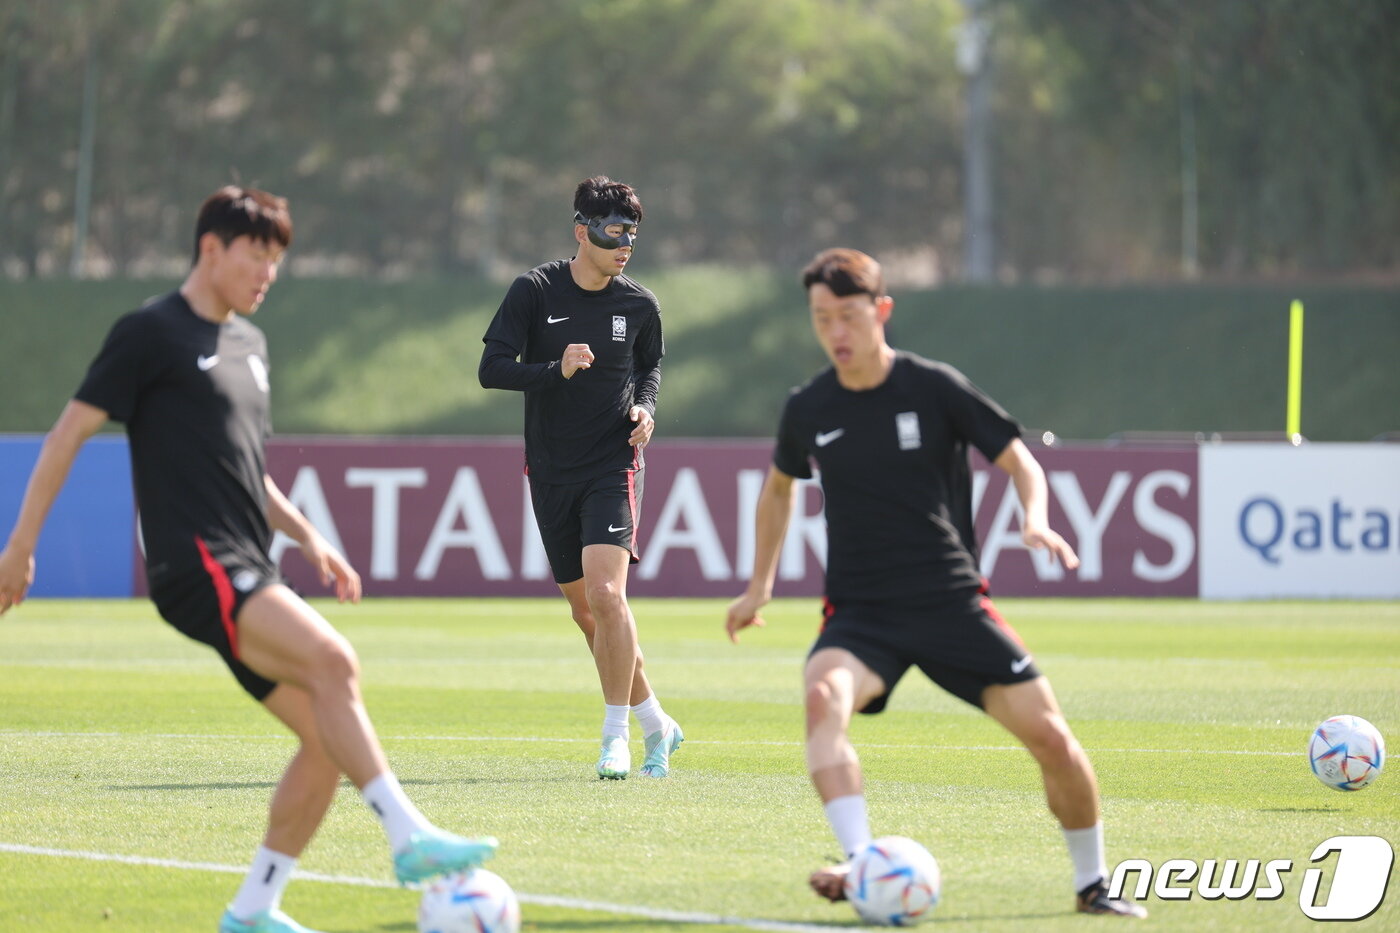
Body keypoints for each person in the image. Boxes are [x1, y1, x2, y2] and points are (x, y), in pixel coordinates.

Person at [0, 186, 498, 933]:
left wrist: (309, 537)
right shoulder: (150, 332)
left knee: (328, 741)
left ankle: (253, 909)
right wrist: (20, 546)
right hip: (194, 562)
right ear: (211, 249)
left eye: (277, 260)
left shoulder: (251, 347)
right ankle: (408, 836)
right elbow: (67, 436)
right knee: (337, 660)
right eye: (257, 256)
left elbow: (247, 470)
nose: (268, 273)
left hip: (248, 561)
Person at [725, 248, 1147, 918]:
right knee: (821, 696)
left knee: (1054, 741)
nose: (835, 331)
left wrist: (1034, 519)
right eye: (821, 318)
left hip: (951, 604)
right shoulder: (809, 406)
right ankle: (863, 862)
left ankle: (1093, 883)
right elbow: (778, 491)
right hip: (861, 615)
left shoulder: (933, 387)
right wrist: (759, 586)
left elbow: (1020, 461)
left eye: (848, 315)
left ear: (882, 311)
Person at [479, 175, 683, 780]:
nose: (624, 245)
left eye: (632, 234)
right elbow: (491, 369)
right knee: (587, 613)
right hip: (550, 469)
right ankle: (657, 725)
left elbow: (649, 370)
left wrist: (647, 408)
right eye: (612, 231)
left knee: (607, 594)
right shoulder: (534, 291)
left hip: (612, 464)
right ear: (581, 231)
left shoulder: (640, 305)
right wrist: (553, 369)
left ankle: (614, 736)